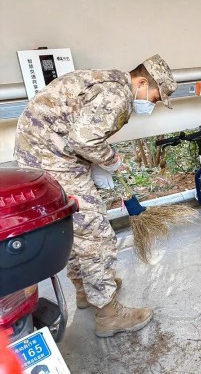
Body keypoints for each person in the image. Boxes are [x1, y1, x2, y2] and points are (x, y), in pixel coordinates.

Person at [14, 54, 177, 337]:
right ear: (141, 82)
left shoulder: (107, 80)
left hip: (40, 157)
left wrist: (95, 162)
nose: (152, 104)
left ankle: (84, 291)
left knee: (74, 226)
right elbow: (85, 140)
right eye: (154, 97)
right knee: (95, 234)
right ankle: (109, 314)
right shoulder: (117, 94)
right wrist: (111, 159)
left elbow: (78, 131)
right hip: (53, 160)